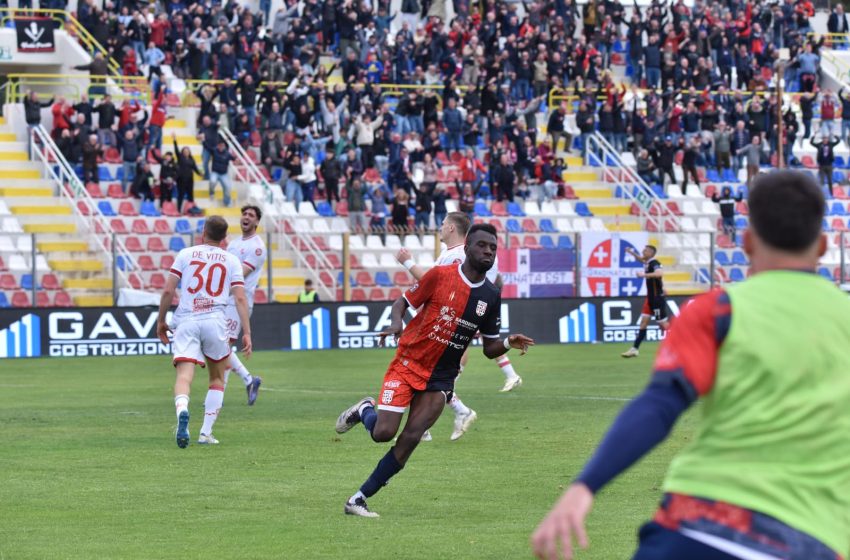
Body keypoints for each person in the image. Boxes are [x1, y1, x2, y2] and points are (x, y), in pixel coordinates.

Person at [532, 170, 850, 560]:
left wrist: (585, 486)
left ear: (747, 242)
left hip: (701, 529)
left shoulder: (715, 310)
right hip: (815, 541)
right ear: (822, 246)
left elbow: (660, 404)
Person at [335, 223, 534, 517]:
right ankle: (365, 410)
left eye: (493, 247)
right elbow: (401, 302)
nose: (488, 251)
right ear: (467, 249)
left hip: (441, 378)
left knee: (411, 438)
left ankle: (358, 499)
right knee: (383, 433)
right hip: (408, 363)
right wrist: (395, 323)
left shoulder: (491, 295)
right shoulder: (441, 276)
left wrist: (507, 341)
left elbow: (490, 348)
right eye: (482, 245)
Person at [396, 212, 524, 433]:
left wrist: (407, 262)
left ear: (452, 228)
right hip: (453, 321)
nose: (441, 227)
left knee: (425, 372)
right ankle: (444, 417)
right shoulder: (462, 253)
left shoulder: (458, 256)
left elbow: (435, 285)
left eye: (444, 223)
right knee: (429, 374)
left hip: (447, 324)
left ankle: (431, 423)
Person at [156, 216, 252, 448]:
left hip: (187, 319)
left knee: (184, 376)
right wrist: (246, 332)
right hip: (216, 320)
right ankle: (205, 433)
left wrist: (161, 321)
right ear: (224, 238)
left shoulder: (186, 254)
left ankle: (182, 412)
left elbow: (169, 290)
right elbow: (240, 297)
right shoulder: (231, 260)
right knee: (217, 378)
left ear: (203, 233)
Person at [222, 205, 266, 408]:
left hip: (239, 301)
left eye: (251, 215)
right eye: (244, 214)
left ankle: (220, 392)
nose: (246, 217)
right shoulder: (234, 243)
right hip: (225, 299)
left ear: (257, 222)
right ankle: (248, 381)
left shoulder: (257, 247)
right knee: (220, 345)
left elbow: (239, 275)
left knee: (224, 346)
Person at [621, 245, 669, 358]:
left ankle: (682, 343)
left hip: (657, 298)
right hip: (650, 298)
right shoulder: (647, 262)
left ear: (651, 253)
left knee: (663, 325)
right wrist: (631, 253)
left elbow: (659, 274)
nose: (643, 251)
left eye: (646, 250)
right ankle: (634, 349)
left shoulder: (654, 262)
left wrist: (644, 275)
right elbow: (641, 259)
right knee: (643, 323)